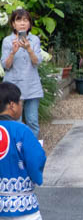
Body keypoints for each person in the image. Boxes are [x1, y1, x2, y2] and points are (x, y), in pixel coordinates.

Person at [0, 82, 46, 220]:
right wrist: (36, 176)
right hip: (23, 205)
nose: (21, 106)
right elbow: (36, 160)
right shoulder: (22, 131)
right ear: (12, 104)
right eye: (20, 102)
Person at [1, 9, 42, 139]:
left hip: (32, 85)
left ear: (29, 24)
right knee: (15, 122)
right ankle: (17, 150)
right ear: (13, 24)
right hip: (13, 87)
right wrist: (13, 52)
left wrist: (29, 49)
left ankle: (31, 148)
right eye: (18, 20)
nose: (22, 23)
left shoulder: (34, 40)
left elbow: (37, 63)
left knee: (32, 122)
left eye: (26, 20)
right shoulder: (8, 41)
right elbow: (5, 66)